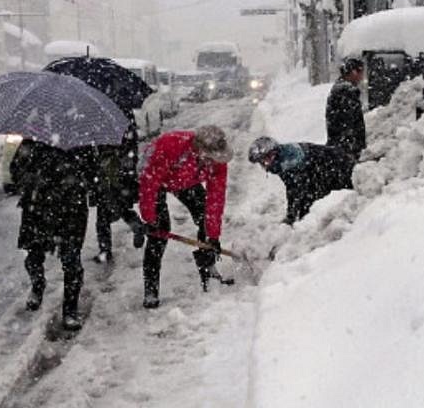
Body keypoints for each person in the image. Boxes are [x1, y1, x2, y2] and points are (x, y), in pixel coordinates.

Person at [138, 125, 233, 308]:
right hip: (157, 179)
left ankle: (209, 274)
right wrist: (149, 219)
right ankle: (151, 290)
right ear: (201, 151)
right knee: (160, 232)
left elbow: (215, 198)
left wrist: (213, 236)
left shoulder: (217, 160)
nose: (215, 162)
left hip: (186, 181)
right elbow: (149, 183)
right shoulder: (171, 145)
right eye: (211, 158)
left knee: (205, 221)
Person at [10, 139, 98, 331]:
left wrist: (77, 182)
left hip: (71, 211)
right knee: (33, 255)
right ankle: (37, 284)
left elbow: (93, 175)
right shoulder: (33, 142)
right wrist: (33, 180)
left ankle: (70, 310)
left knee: (72, 262)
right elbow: (15, 170)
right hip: (38, 209)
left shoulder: (82, 145)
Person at [248, 136, 352, 225]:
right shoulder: (281, 163)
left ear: (274, 152)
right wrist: (291, 215)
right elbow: (292, 188)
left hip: (338, 168)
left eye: (267, 158)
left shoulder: (291, 160)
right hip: (328, 168)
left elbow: (303, 189)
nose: (265, 164)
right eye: (262, 162)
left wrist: (297, 216)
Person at [93, 117, 146, 264]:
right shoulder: (122, 121)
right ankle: (137, 225)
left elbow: (102, 153)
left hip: (111, 175)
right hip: (124, 177)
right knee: (121, 208)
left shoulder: (102, 125)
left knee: (103, 216)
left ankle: (105, 250)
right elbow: (132, 148)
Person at [326, 57, 366, 179]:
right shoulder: (346, 91)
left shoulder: (338, 89)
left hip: (338, 146)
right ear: (354, 72)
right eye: (361, 72)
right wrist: (352, 148)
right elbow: (349, 122)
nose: (362, 77)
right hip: (344, 148)